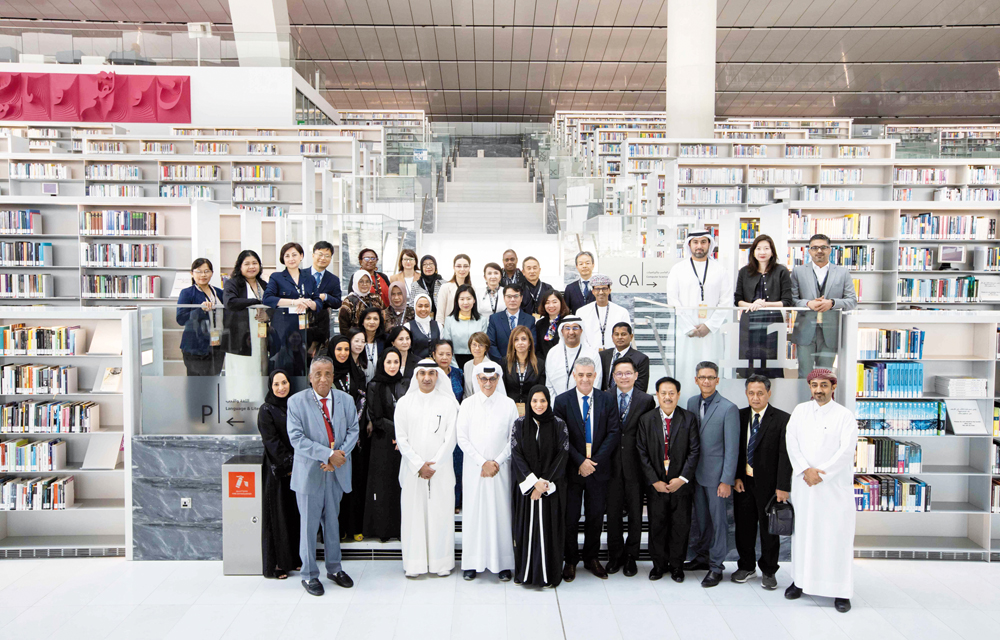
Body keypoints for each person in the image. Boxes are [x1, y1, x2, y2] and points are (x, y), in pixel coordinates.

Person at [784, 368, 856, 613]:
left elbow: (846, 452)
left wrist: (820, 473)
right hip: (805, 485)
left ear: (833, 387)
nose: (819, 390)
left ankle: (840, 591)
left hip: (833, 488)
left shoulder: (845, 416)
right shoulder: (800, 411)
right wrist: (806, 469)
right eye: (814, 385)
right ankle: (800, 582)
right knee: (804, 535)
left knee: (835, 538)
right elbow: (791, 441)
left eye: (824, 385)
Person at [286, 356, 359, 596]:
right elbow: (297, 439)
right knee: (308, 525)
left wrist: (338, 457)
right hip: (311, 472)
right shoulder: (296, 402)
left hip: (336, 472)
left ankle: (334, 568)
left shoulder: (346, 400)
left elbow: (353, 430)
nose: (323, 379)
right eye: (318, 374)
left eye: (328, 373)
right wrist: (328, 455)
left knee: (332, 522)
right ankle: (308, 575)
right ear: (310, 377)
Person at [554, 357, 619, 581]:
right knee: (570, 516)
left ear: (595, 376)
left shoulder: (607, 399)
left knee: (595, 516)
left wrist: (593, 463)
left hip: (598, 469)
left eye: (589, 375)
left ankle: (592, 558)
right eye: (580, 374)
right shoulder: (562, 401)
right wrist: (580, 460)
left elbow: (613, 433)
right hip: (572, 469)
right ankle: (570, 560)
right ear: (574, 375)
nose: (584, 379)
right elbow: (560, 436)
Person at [395, 359, 460, 577]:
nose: (427, 377)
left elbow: (451, 439)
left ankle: (441, 564)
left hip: (440, 472)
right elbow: (401, 439)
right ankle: (415, 565)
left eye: (432, 373)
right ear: (415, 376)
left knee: (440, 516)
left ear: (438, 376)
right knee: (414, 517)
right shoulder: (404, 403)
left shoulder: (449, 404)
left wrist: (434, 465)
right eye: (422, 373)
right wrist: (418, 465)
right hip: (413, 472)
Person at [456, 361, 519, 581]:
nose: (488, 383)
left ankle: (502, 564)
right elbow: (462, 438)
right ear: (477, 379)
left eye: (492, 379)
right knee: (474, 514)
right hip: (475, 470)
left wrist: (497, 461)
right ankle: (472, 563)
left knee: (500, 514)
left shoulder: (508, 404)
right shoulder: (467, 404)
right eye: (483, 379)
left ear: (499, 379)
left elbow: (514, 438)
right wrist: (482, 462)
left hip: (500, 469)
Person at [637, 376, 700, 583]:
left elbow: (694, 451)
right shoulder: (646, 420)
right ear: (657, 395)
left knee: (680, 527)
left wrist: (682, 479)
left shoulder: (688, 418)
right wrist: (654, 481)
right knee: (657, 525)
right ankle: (658, 565)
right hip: (657, 485)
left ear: (678, 395)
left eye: (671, 393)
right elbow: (641, 452)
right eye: (663, 393)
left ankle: (677, 567)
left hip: (680, 485)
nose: (667, 397)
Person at [684, 361, 740, 588]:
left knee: (719, 523)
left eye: (710, 377)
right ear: (696, 380)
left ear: (717, 380)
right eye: (702, 377)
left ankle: (717, 566)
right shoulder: (691, 402)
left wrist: (726, 480)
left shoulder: (728, 408)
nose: (706, 381)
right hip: (694, 475)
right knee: (702, 520)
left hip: (717, 478)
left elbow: (732, 449)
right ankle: (703, 557)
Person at [732, 374, 791, 590]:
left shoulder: (783, 419)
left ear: (768, 393)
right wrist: (736, 476)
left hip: (770, 486)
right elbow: (735, 451)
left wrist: (783, 486)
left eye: (760, 393)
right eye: (751, 393)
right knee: (743, 527)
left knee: (769, 530)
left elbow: (786, 456)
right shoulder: (738, 416)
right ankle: (746, 566)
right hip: (744, 483)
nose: (755, 398)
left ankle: (769, 570)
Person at [510, 386, 569, 588]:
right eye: (534, 401)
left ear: (548, 402)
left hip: (550, 490)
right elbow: (516, 455)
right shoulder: (519, 425)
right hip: (527, 491)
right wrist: (532, 482)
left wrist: (543, 484)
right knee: (525, 531)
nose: (538, 405)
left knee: (550, 531)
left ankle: (550, 575)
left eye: (542, 401)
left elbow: (562, 455)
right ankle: (525, 574)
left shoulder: (558, 424)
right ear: (528, 403)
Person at [603, 357, 656, 578]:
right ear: (613, 377)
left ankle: (632, 556)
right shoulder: (604, 397)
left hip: (636, 466)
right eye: (619, 373)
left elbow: (650, 435)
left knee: (635, 514)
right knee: (613, 514)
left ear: (636, 375)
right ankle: (615, 556)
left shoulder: (646, 400)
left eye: (628, 373)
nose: (623, 377)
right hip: (611, 465)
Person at [667, 230, 734, 393]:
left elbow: (725, 301)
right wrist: (689, 327)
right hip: (685, 333)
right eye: (695, 242)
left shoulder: (720, 270)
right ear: (689, 244)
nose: (699, 246)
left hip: (711, 333)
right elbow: (672, 300)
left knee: (710, 369)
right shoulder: (677, 269)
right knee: (684, 369)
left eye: (703, 242)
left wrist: (709, 326)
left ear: (709, 244)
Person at [790, 234, 858, 376]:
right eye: (815, 248)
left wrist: (832, 303)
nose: (819, 251)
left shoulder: (842, 272)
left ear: (830, 249)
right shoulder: (798, 271)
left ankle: (823, 399)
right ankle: (804, 398)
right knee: (804, 374)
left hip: (830, 330)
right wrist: (808, 303)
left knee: (825, 375)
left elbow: (852, 301)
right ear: (809, 251)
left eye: (823, 247)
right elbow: (792, 300)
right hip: (805, 330)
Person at [257, 369, 299, 579]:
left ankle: (293, 559)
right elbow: (271, 441)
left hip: (297, 468)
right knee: (278, 515)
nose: (281, 388)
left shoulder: (294, 405)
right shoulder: (266, 410)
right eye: (276, 384)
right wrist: (288, 464)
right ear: (270, 387)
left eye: (284, 383)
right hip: (277, 470)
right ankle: (277, 565)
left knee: (293, 515)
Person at [364, 348, 407, 542]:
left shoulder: (405, 383)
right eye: (388, 362)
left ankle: (399, 529)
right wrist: (396, 433)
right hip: (383, 441)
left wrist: (402, 436)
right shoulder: (374, 385)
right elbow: (376, 417)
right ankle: (383, 530)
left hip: (402, 443)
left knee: (399, 486)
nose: (392, 366)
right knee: (382, 487)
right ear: (382, 363)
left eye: (395, 362)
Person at [329, 335, 369, 542]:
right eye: (339, 349)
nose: (343, 353)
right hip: (333, 440)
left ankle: (355, 526)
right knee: (335, 486)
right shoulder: (327, 375)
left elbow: (362, 398)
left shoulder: (357, 373)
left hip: (356, 437)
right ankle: (339, 527)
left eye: (346, 349)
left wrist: (356, 426)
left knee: (355, 483)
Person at [735, 234, 793, 378]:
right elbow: (738, 300)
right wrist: (753, 305)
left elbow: (787, 301)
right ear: (753, 251)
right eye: (758, 248)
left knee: (772, 362)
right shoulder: (744, 271)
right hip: (750, 321)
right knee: (749, 362)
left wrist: (764, 305)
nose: (762, 252)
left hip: (773, 321)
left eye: (766, 248)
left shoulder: (781, 271)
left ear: (772, 251)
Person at [263, 243, 320, 377]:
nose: (291, 258)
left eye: (294, 255)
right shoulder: (276, 277)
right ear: (283, 259)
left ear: (301, 256)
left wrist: (310, 303)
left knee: (301, 364)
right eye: (287, 256)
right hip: (282, 327)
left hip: (303, 328)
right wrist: (294, 302)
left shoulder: (309, 278)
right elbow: (268, 298)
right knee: (281, 363)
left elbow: (318, 301)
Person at [223, 249, 270, 398]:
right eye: (247, 263)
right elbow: (230, 302)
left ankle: (258, 411)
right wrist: (256, 302)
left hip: (261, 338)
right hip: (240, 339)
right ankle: (238, 415)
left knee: (259, 372)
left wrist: (267, 314)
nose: (251, 267)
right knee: (240, 376)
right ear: (240, 266)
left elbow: (273, 305)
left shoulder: (263, 284)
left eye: (255, 263)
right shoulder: (233, 283)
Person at [177, 258, 226, 376]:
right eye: (199, 271)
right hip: (195, 347)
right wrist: (200, 309)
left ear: (212, 273)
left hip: (217, 346)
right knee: (197, 386)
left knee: (214, 383)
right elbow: (181, 319)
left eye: (207, 271)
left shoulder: (219, 292)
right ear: (192, 273)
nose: (203, 275)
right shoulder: (187, 293)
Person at [433, 339, 465, 512]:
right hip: (437, 425)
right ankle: (442, 501)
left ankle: (457, 502)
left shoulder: (458, 373)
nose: (444, 357)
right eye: (441, 354)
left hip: (457, 424)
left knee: (457, 464)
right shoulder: (430, 374)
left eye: (448, 354)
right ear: (434, 355)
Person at [544, 315, 602, 398]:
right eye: (567, 328)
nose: (571, 332)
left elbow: (596, 383)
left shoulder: (592, 354)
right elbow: (549, 385)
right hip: (557, 406)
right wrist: (556, 405)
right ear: (562, 331)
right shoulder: (552, 353)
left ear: (581, 330)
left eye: (575, 328)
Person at [305, 241, 343, 354]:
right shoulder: (301, 274)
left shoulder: (333, 280)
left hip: (322, 327)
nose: (323, 258)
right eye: (320, 254)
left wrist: (325, 297)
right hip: (301, 325)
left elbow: (337, 302)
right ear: (313, 255)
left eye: (327, 256)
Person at [578, 274, 631, 352]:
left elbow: (626, 335)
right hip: (589, 354)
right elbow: (581, 336)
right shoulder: (582, 312)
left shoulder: (622, 312)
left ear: (609, 290)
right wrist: (592, 351)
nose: (601, 292)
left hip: (615, 354)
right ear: (593, 291)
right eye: (597, 289)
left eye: (604, 288)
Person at [502, 325, 546, 415]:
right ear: (512, 343)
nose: (520, 343)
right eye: (516, 340)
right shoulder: (504, 362)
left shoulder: (539, 364)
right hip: (509, 409)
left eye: (524, 339)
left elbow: (541, 389)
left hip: (533, 410)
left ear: (529, 342)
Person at [442, 284, 487, 368]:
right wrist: (455, 367)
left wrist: (477, 365)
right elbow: (447, 346)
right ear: (457, 301)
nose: (465, 302)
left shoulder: (482, 320)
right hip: (454, 361)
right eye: (462, 299)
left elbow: (484, 345)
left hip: (477, 361)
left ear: (474, 300)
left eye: (469, 299)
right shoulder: (449, 320)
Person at [486, 284, 534, 362]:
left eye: (516, 296)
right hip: (500, 363)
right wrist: (502, 362)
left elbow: (532, 343)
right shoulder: (494, 319)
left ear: (521, 298)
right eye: (509, 296)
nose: (512, 300)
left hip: (524, 363)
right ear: (504, 298)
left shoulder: (530, 319)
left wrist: (522, 360)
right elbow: (491, 344)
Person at [599, 322, 650, 393]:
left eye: (623, 334)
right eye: (616, 334)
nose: (619, 337)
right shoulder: (602, 356)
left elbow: (641, 387)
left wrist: (613, 394)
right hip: (604, 399)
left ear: (631, 337)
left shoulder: (641, 359)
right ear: (612, 337)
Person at [338, 271, 384, 335]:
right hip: (356, 340)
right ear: (356, 282)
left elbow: (382, 318)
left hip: (375, 337)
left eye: (367, 281)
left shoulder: (376, 298)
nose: (364, 284)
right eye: (361, 281)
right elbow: (344, 327)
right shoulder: (348, 302)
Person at [435, 253, 472, 324]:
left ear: (469, 268)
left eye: (465, 266)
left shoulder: (472, 288)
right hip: (449, 329)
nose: (462, 269)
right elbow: (440, 315)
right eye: (458, 266)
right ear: (454, 268)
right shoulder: (445, 288)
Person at [534, 290, 569, 359]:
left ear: (561, 303)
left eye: (554, 302)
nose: (551, 305)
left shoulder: (567, 322)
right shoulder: (540, 324)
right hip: (544, 364)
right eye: (547, 303)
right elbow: (538, 348)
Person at [407, 293, 441, 360]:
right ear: (414, 307)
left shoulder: (438, 325)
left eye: (426, 306)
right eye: (420, 306)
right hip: (415, 365)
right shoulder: (408, 326)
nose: (423, 309)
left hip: (435, 365)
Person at [358, 307, 387, 383]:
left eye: (375, 319)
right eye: (368, 318)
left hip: (379, 384)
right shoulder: (355, 339)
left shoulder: (385, 340)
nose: (372, 322)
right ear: (362, 322)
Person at [463, 332, 492, 399]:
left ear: (486, 348)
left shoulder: (491, 366)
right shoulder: (467, 365)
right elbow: (466, 391)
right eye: (474, 345)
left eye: (481, 345)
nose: (477, 348)